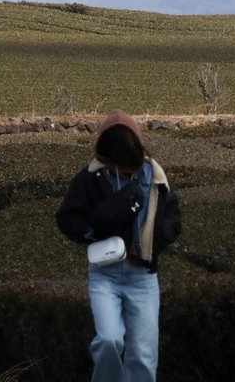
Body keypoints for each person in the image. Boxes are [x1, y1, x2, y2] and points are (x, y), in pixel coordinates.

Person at [56, 110, 182, 382]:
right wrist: (93, 229)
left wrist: (157, 236)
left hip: (143, 277)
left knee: (144, 354)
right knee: (110, 340)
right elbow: (67, 218)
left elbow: (173, 214)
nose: (129, 170)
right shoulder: (90, 178)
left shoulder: (155, 175)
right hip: (105, 276)